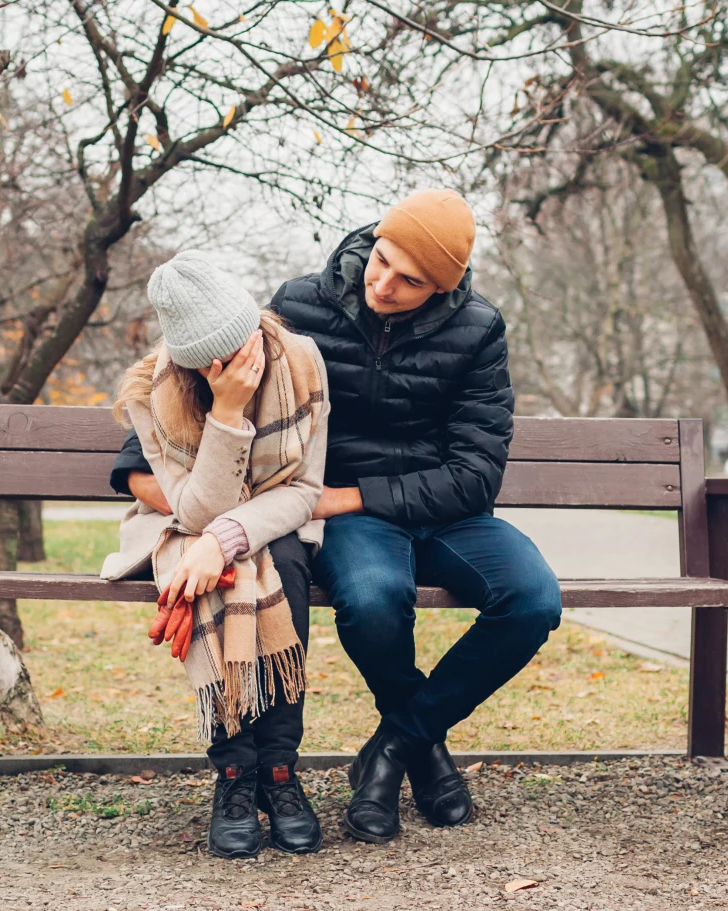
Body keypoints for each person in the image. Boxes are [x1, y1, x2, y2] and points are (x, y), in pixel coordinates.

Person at [110, 190, 563, 845]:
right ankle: (416, 750)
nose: (384, 284)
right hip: (353, 526)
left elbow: (476, 473)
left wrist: (343, 497)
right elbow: (192, 380)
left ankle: (396, 747)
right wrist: (168, 487)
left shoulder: (479, 329)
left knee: (532, 599)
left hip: (439, 512)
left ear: (444, 286)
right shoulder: (301, 304)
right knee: (374, 599)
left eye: (411, 281)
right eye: (381, 261)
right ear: (374, 238)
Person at [100, 251, 330, 858]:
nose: (230, 366)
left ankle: (278, 771)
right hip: (181, 526)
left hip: (273, 521)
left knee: (283, 562)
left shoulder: (303, 363)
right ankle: (234, 774)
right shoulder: (155, 394)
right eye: (210, 362)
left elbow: (304, 491)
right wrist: (226, 412)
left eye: (241, 347)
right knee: (220, 582)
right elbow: (195, 510)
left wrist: (224, 540)